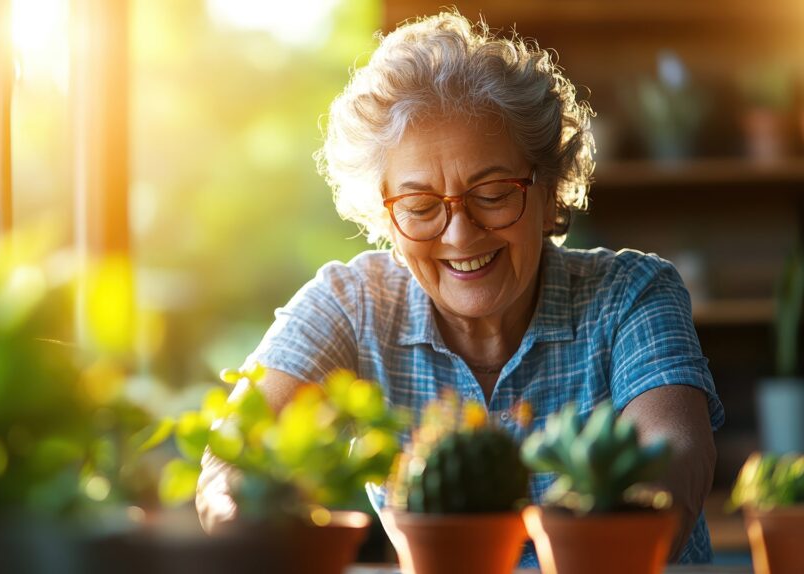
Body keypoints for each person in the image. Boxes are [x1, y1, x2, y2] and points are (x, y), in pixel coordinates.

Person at [196, 11, 723, 567]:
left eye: (493, 192)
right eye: (420, 207)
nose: (460, 232)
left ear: (548, 192)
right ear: (384, 217)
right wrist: (248, 522)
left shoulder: (633, 292)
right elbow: (230, 463)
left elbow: (677, 457)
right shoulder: (350, 305)